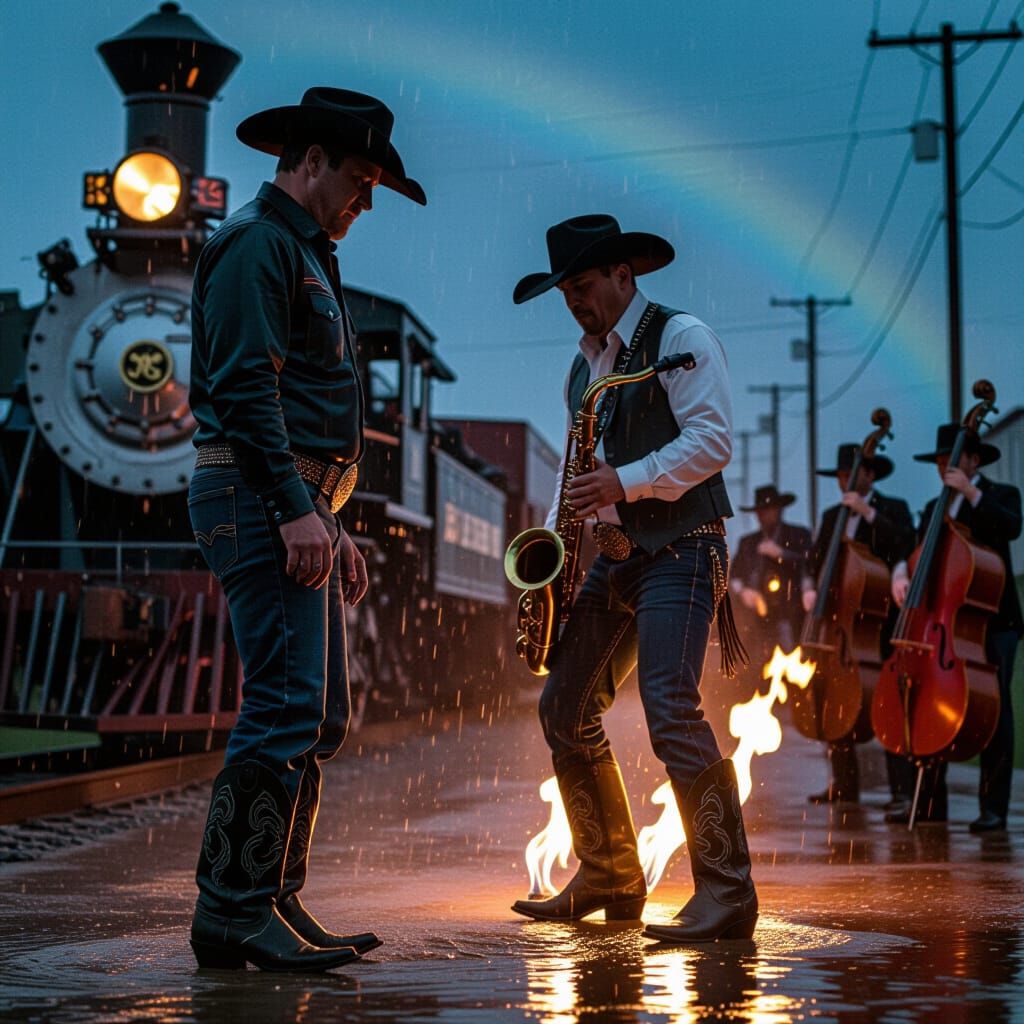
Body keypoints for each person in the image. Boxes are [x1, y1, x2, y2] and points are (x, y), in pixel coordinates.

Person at [187, 88, 426, 971]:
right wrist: (295, 506)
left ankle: (274, 900)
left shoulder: (301, 252)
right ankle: (232, 910)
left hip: (289, 501)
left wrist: (329, 516)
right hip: (255, 499)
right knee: (284, 703)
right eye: (360, 181)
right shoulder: (257, 245)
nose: (366, 202)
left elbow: (297, 405)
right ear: (311, 161)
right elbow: (250, 389)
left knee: (319, 711)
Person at [509, 214, 757, 944]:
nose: (573, 303)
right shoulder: (583, 365)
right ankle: (611, 874)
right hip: (617, 557)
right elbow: (577, 463)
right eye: (564, 291)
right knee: (564, 705)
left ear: (625, 275)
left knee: (670, 707)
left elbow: (712, 442)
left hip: (682, 547)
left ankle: (728, 892)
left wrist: (630, 479)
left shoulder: (682, 339)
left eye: (581, 286)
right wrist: (555, 550)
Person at [889, 424, 1021, 829]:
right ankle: (930, 803)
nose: (945, 466)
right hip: (944, 625)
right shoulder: (934, 509)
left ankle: (994, 807)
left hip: (994, 621)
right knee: (932, 702)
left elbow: (1011, 527)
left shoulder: (1000, 495)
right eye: (941, 460)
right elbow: (913, 549)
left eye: (954, 459)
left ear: (973, 461)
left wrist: (970, 492)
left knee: (996, 708)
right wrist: (900, 572)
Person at [801, 444, 916, 807]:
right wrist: (808, 585)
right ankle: (843, 784)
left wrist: (867, 513)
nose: (843, 481)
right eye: (839, 475)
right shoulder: (833, 515)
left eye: (850, 475)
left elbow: (903, 542)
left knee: (887, 704)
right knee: (836, 700)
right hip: (841, 628)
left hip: (879, 623)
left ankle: (900, 792)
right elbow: (815, 559)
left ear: (869, 475)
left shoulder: (891, 508)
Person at [730, 484, 811, 658]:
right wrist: (745, 592)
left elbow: (809, 564)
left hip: (789, 614)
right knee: (755, 663)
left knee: (791, 659)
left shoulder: (797, 535)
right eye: (760, 511)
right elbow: (734, 575)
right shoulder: (748, 542)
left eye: (767, 510)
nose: (762, 516)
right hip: (756, 621)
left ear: (779, 510)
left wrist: (781, 554)